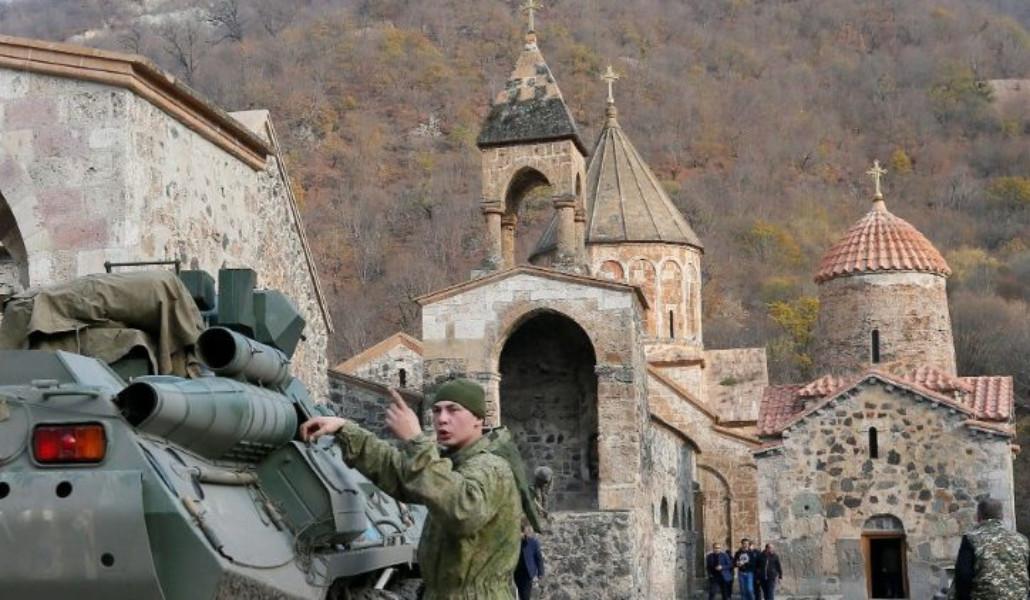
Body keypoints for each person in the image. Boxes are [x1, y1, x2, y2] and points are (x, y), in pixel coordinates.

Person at [300, 379, 528, 600]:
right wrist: (345, 430)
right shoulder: (455, 464)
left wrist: (416, 440)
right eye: (437, 411)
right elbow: (402, 475)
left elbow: (462, 511)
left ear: (478, 418)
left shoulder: (490, 467)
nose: (442, 419)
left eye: (453, 410)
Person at [950, 497, 1030, 600]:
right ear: (1001, 516)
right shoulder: (1021, 540)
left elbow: (963, 576)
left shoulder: (971, 539)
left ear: (978, 516)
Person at [514, 520, 544, 599]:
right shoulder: (513, 542)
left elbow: (539, 558)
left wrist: (540, 573)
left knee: (525, 596)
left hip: (527, 573)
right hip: (514, 572)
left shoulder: (533, 542)